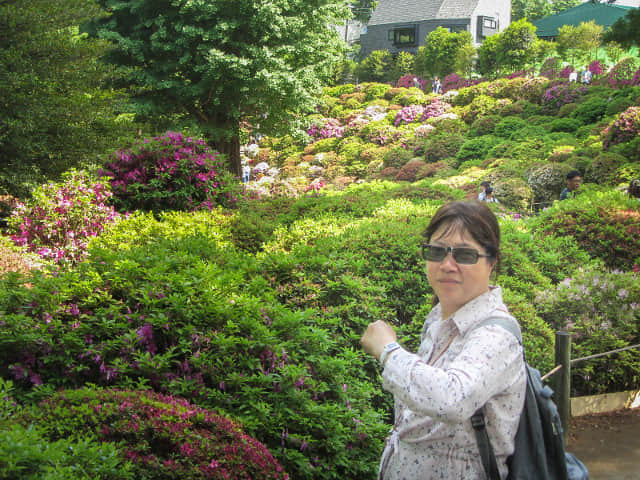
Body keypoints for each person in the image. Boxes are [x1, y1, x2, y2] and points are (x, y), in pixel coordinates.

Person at [361, 201, 526, 480]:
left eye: (465, 255)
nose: (447, 265)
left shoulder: (497, 335)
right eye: (437, 251)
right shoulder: (438, 318)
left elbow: (452, 399)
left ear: (492, 262)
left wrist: (388, 352)